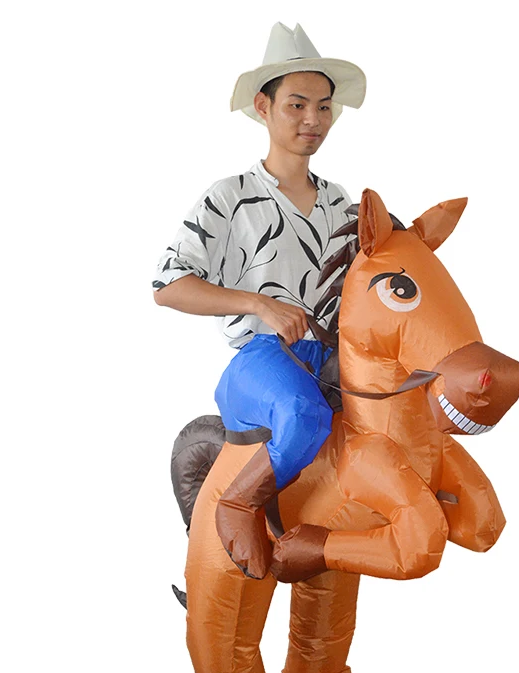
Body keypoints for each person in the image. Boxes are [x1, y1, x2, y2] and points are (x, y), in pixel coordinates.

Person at [152, 22, 366, 580]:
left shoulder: (342, 202)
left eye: (324, 107)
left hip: (333, 359)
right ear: (263, 107)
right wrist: (259, 304)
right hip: (263, 358)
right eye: (297, 104)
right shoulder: (230, 198)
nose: (313, 119)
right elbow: (168, 285)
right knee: (302, 414)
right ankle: (236, 506)